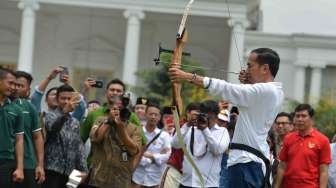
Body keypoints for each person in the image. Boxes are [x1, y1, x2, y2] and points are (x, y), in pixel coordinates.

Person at [169, 47, 284, 188]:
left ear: (265, 68)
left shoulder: (267, 90)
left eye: (250, 66)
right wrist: (249, 84)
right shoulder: (273, 91)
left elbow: (227, 88)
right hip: (248, 163)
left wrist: (188, 77)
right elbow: (248, 101)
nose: (246, 70)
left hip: (246, 163)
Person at [171, 100, 230, 188]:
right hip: (186, 183)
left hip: (209, 185)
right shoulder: (191, 129)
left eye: (209, 116)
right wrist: (187, 125)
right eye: (204, 115)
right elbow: (175, 144)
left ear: (216, 116)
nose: (206, 119)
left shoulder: (222, 132)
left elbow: (217, 150)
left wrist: (205, 130)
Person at [88, 96, 142, 188]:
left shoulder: (134, 129)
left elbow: (133, 150)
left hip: (121, 181)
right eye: (116, 109)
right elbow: (96, 138)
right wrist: (109, 121)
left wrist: (122, 130)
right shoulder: (100, 120)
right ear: (111, 109)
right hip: (98, 178)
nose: (119, 112)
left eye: (122, 110)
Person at [274, 104, 331, 188]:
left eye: (303, 116)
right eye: (297, 116)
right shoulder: (288, 138)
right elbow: (282, 166)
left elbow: (324, 171)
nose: (300, 119)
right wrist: (276, 186)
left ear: (311, 119)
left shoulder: (323, 140)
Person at [43, 84, 88, 188]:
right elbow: (53, 129)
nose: (67, 101)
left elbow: (79, 147)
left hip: (72, 172)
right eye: (63, 98)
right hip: (52, 170)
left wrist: (84, 170)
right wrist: (64, 113)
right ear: (57, 100)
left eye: (69, 98)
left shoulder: (75, 122)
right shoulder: (49, 115)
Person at [12, 71, 45, 188]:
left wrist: (40, 165)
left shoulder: (29, 107)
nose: (16, 88)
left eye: (21, 86)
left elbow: (37, 137)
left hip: (28, 163)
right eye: (14, 84)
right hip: (6, 162)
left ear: (27, 89)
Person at [160, 102, 200, 188]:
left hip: (191, 174)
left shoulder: (203, 129)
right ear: (188, 113)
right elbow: (175, 144)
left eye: (198, 115)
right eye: (194, 114)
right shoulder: (181, 125)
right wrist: (188, 125)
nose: (196, 117)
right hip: (175, 169)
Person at [132, 103, 171, 188]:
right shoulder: (137, 132)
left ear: (159, 117)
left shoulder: (164, 135)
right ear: (145, 115)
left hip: (155, 179)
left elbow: (167, 156)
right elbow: (133, 153)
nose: (153, 117)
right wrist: (153, 159)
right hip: (137, 177)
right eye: (150, 114)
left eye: (156, 115)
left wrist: (149, 155)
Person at [0, 67, 25, 187]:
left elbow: (19, 140)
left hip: (7, 162)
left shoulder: (17, 110)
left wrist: (20, 168)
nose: (13, 87)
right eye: (10, 83)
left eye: (15, 84)